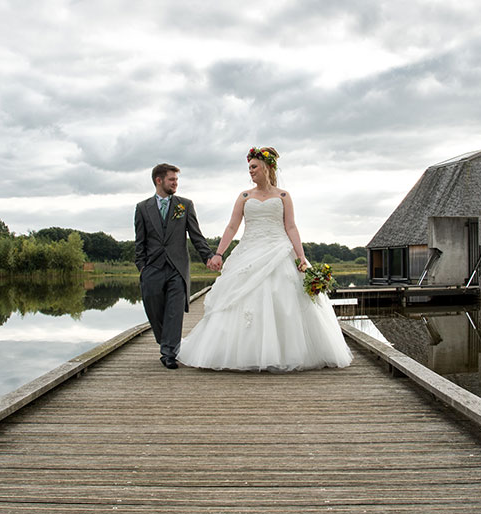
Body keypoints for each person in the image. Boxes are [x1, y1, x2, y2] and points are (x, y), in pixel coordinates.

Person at [178, 147, 353, 371]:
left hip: (280, 249)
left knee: (285, 296)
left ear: (267, 168)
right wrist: (219, 253)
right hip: (249, 250)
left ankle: (286, 353)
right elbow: (232, 226)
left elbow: (291, 226)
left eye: (254, 167)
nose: (250, 171)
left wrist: (301, 256)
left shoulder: (283, 196)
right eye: (249, 168)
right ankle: (245, 353)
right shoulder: (244, 196)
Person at [134, 163, 217, 369]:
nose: (175, 183)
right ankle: (166, 342)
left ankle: (169, 352)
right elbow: (139, 241)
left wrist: (208, 256)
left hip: (177, 268)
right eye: (172, 180)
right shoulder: (142, 208)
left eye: (177, 180)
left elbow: (196, 235)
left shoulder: (185, 205)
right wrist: (142, 267)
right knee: (154, 309)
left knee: (174, 311)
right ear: (159, 180)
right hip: (152, 268)